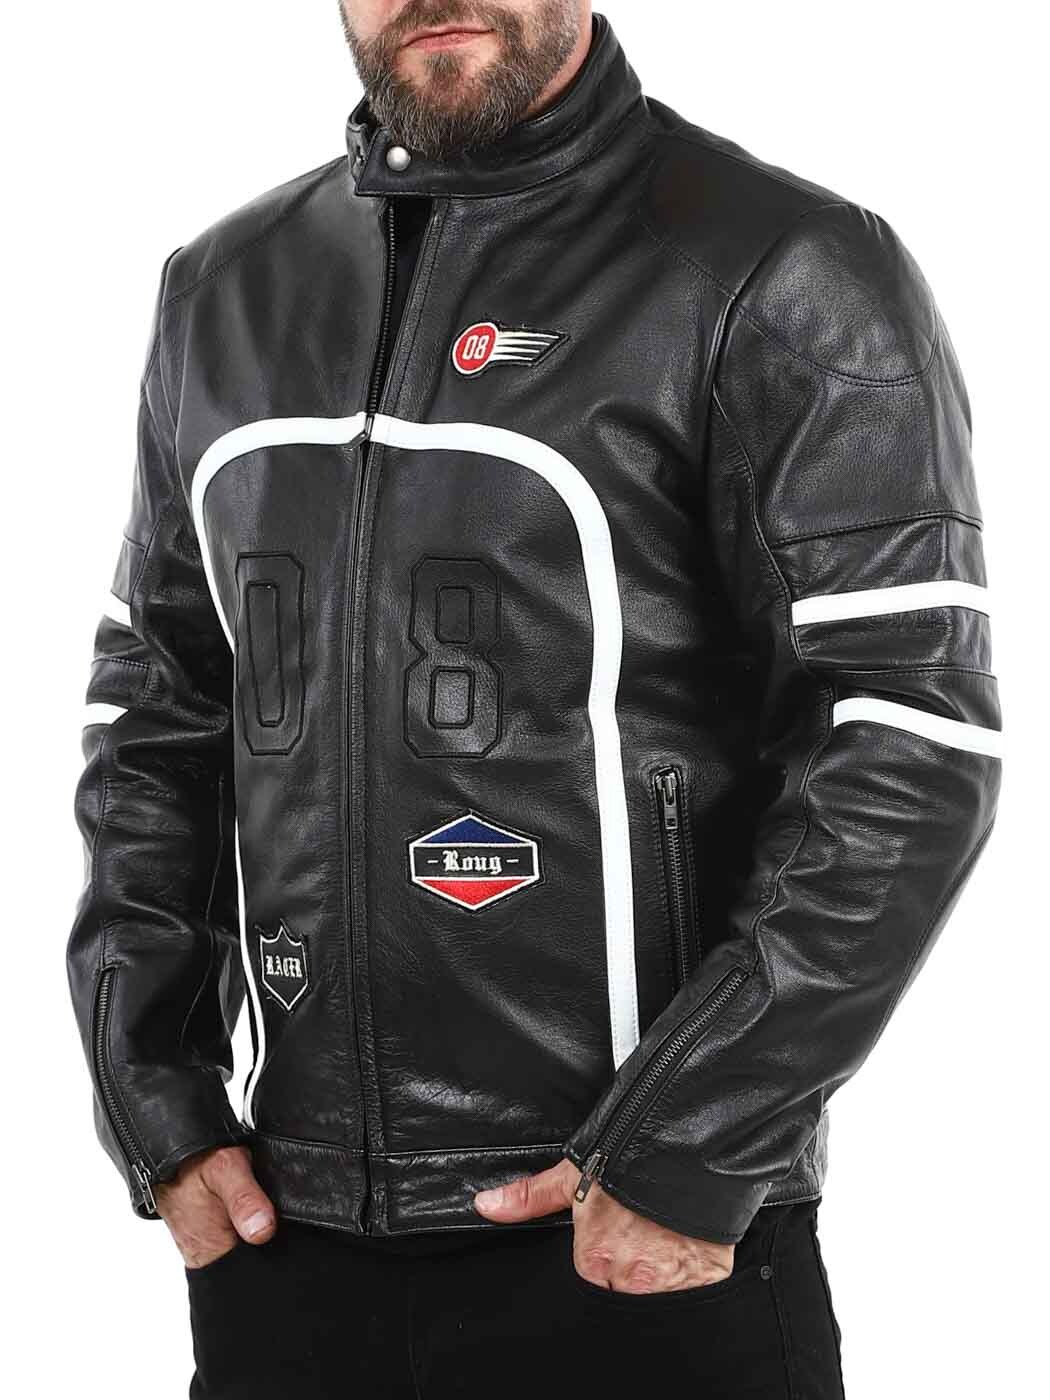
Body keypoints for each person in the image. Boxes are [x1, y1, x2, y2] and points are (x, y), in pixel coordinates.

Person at [66, 3, 1002, 1396]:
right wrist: (157, 1101)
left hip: (639, 1245)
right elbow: (160, 704)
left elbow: (907, 734)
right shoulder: (224, 286)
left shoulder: (777, 264)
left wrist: (687, 1146)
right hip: (281, 1247)